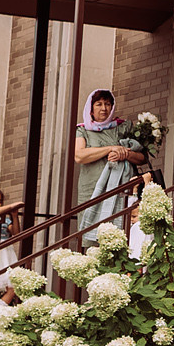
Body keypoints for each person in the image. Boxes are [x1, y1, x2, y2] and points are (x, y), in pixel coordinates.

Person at [72, 88, 146, 247]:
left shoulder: (123, 128)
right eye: (98, 104)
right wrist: (110, 149)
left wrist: (124, 154)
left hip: (120, 189)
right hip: (91, 189)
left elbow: (141, 158)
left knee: (120, 235)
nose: (104, 108)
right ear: (91, 109)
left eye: (107, 104)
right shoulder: (83, 130)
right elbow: (79, 155)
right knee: (92, 237)